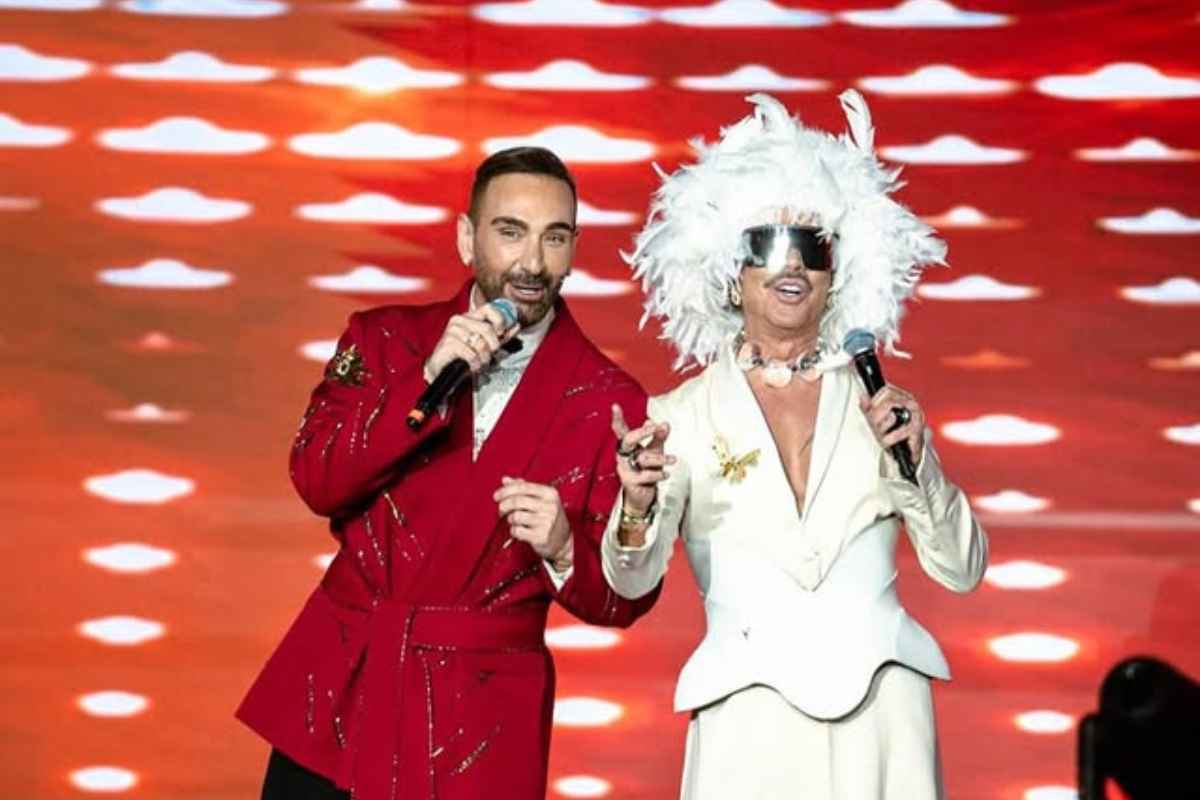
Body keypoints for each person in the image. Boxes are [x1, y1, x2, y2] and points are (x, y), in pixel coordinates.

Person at [237, 146, 661, 800]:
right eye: (511, 231)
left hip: (479, 716)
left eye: (554, 237)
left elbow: (620, 601)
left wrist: (561, 545)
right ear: (467, 238)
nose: (532, 262)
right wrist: (426, 377)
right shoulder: (383, 341)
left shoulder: (607, 397)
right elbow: (317, 480)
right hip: (346, 684)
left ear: (574, 248)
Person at [601, 92, 989, 799]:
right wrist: (634, 505)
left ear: (837, 270)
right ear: (730, 269)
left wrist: (919, 465)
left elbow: (961, 570)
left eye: (813, 247)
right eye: (767, 244)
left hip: (884, 719)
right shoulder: (679, 416)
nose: (793, 266)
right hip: (745, 720)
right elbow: (631, 580)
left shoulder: (878, 406)